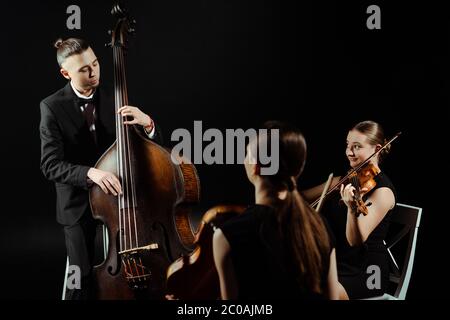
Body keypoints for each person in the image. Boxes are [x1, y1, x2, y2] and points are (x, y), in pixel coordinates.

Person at [39, 38, 162, 299]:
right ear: (66, 73)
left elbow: (150, 150)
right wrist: (91, 173)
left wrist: (148, 123)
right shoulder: (51, 107)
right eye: (84, 69)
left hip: (119, 200)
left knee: (135, 267)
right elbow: (50, 165)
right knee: (81, 276)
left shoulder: (116, 97)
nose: (93, 72)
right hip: (78, 203)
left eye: (95, 63)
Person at [212, 121, 341, 299]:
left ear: (256, 167)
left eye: (247, 154)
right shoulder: (320, 226)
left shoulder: (226, 236)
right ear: (299, 167)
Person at [302, 120, 396, 299]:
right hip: (339, 264)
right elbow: (302, 197)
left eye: (357, 146)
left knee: (315, 292)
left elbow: (355, 241)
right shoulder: (345, 181)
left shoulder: (383, 192)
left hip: (367, 273)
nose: (349, 152)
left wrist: (352, 210)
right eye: (347, 145)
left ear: (376, 149)